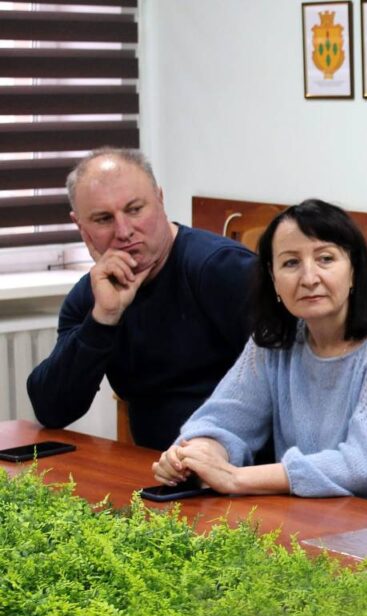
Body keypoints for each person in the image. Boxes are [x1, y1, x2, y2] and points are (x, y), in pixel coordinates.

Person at [152, 199, 367, 518]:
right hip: (317, 519)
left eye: (325, 259)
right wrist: (194, 455)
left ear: (354, 269)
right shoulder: (276, 338)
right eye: (291, 263)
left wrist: (235, 478)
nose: (309, 278)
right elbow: (223, 419)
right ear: (273, 278)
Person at [27, 148, 256, 450]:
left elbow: (287, 387)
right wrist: (103, 319)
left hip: (240, 464)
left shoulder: (221, 268)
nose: (124, 231)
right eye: (103, 219)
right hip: (149, 465)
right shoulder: (93, 294)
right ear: (81, 227)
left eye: (135, 209)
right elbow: (52, 409)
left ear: (160, 199)